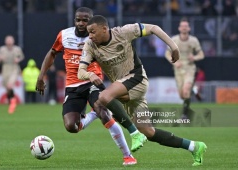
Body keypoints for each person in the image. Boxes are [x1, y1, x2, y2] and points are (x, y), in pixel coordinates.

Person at [78, 15, 207, 166]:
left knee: (103, 97)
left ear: (104, 29)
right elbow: (81, 71)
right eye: (89, 32)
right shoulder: (90, 46)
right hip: (123, 87)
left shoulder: (124, 32)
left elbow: (153, 28)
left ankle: (134, 133)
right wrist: (90, 74)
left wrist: (173, 46)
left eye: (93, 32)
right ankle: (194, 146)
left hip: (137, 79)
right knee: (149, 132)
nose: (90, 36)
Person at [35, 7, 146, 166]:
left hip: (92, 82)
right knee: (71, 126)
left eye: (85, 20)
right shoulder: (64, 35)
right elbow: (52, 53)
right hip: (73, 86)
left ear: (92, 21)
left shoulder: (96, 37)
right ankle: (93, 113)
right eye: (78, 20)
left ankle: (128, 156)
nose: (81, 23)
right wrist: (41, 76)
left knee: (104, 114)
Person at [165, 17, 205, 117]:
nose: (184, 28)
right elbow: (167, 53)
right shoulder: (174, 40)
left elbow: (201, 54)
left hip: (189, 69)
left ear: (189, 28)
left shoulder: (193, 40)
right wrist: (174, 62)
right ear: (179, 28)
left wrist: (194, 57)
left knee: (186, 90)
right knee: (182, 95)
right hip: (178, 69)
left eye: (186, 26)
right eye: (182, 26)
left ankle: (184, 114)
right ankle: (193, 90)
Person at [0, 35, 24, 114]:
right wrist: (1, 59)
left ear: (13, 41)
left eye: (10, 40)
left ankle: (13, 103)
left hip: (14, 68)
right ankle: (10, 102)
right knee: (7, 88)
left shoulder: (17, 49)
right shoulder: (2, 49)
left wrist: (18, 59)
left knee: (10, 85)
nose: (9, 42)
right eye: (7, 40)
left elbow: (21, 57)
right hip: (5, 68)